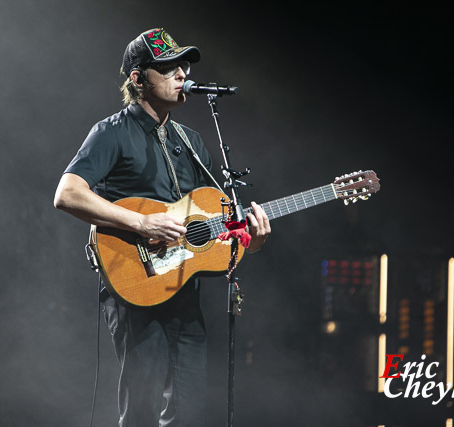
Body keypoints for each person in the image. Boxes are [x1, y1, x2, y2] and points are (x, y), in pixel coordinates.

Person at [53, 28, 271, 427]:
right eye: (169, 66)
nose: (182, 73)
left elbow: (218, 228)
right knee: (141, 411)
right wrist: (141, 220)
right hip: (135, 286)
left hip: (184, 291)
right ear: (138, 79)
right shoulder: (112, 132)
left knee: (190, 413)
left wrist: (250, 242)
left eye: (184, 65)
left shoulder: (191, 141)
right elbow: (67, 193)